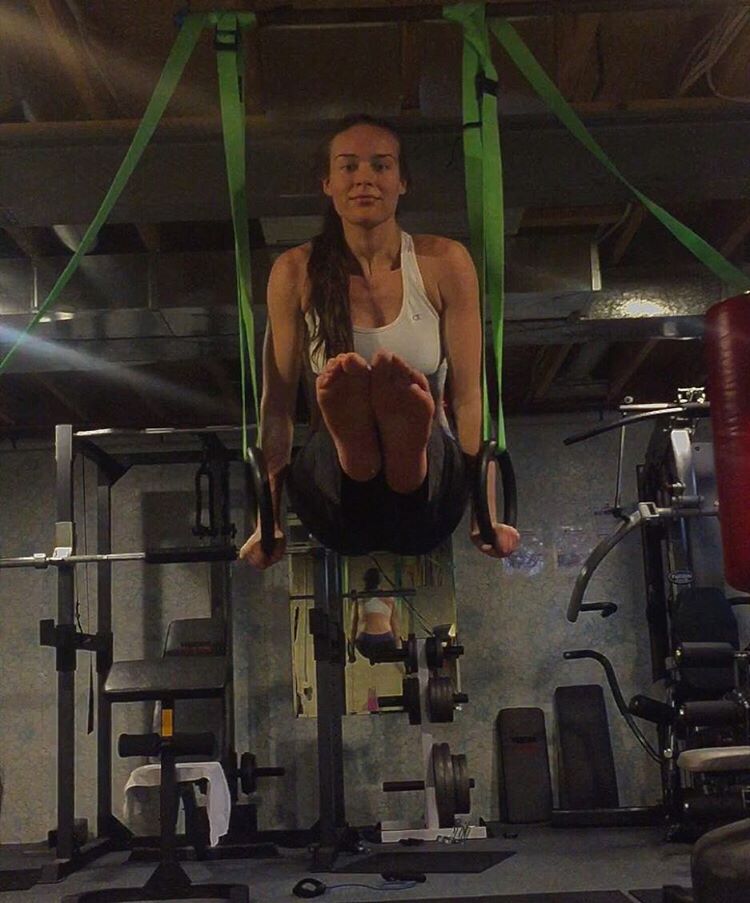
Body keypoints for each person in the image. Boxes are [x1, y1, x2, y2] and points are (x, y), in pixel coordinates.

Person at [240, 113, 520, 567]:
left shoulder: (444, 262)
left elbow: (469, 398)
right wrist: (265, 521)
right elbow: (277, 408)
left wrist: (484, 514)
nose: (364, 178)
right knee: (343, 438)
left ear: (402, 181)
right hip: (335, 506)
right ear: (327, 183)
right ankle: (358, 445)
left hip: (429, 503)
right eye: (349, 166)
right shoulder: (294, 271)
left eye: (381, 165)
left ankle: (399, 445)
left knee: (421, 434)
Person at [349, 567, 402, 663]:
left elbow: (353, 626)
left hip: (365, 643)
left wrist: (351, 652)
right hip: (385, 642)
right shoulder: (388, 598)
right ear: (379, 581)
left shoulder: (359, 598)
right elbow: (395, 625)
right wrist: (398, 647)